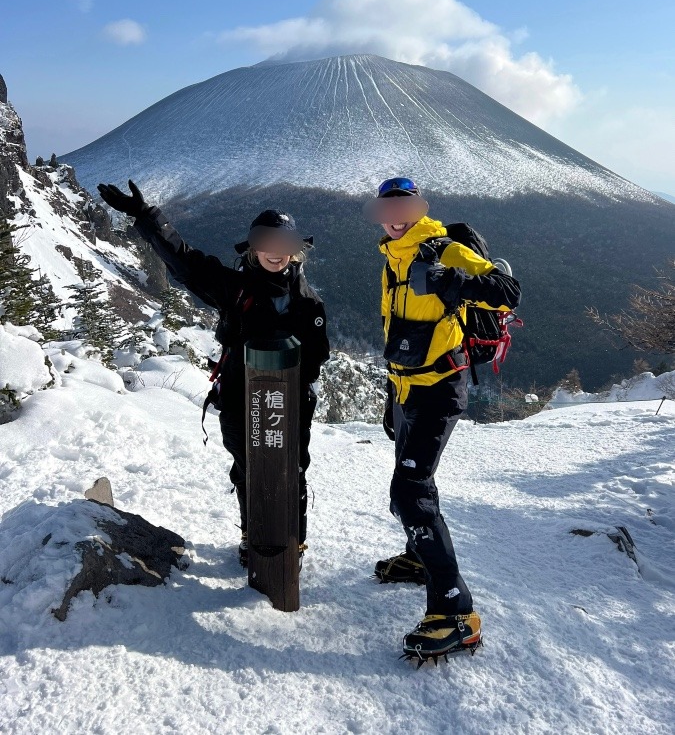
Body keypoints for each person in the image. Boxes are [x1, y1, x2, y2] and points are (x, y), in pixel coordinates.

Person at [97, 180, 330, 566]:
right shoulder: (234, 288)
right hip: (240, 398)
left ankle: (293, 541)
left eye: (284, 244)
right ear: (253, 247)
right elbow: (185, 262)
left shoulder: (308, 302)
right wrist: (145, 215)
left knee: (292, 470)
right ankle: (252, 534)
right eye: (266, 242)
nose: (276, 252)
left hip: (289, 403)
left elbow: (317, 357)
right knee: (248, 468)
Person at [364, 176, 521, 663]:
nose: (394, 216)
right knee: (415, 490)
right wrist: (393, 395)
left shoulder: (444, 248)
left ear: (420, 207)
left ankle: (457, 615)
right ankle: (420, 557)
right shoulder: (392, 254)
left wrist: (454, 281)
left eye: (404, 206)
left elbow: (506, 291)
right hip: (407, 389)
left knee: (408, 491)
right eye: (386, 207)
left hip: (439, 389)